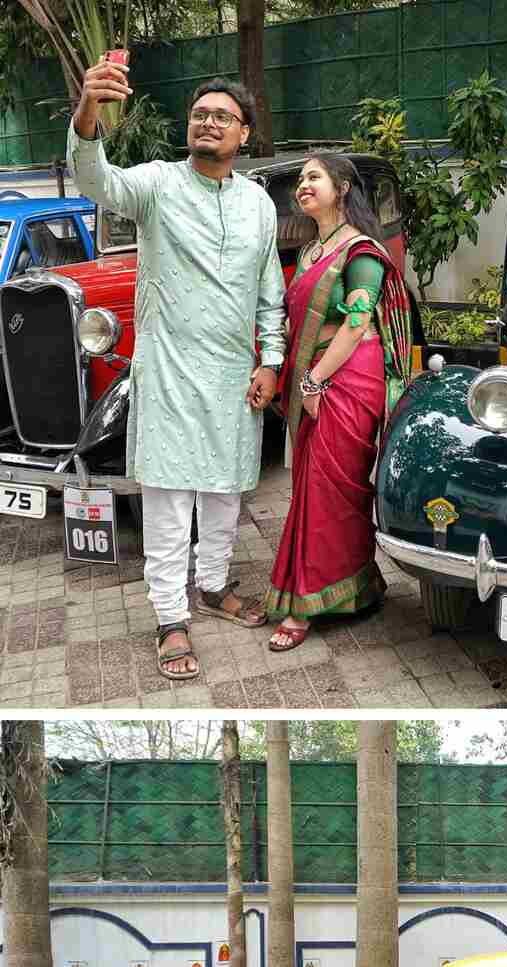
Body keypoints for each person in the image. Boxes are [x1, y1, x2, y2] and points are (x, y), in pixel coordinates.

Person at [68, 63, 286, 681]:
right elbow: (95, 178)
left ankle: (213, 588)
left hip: (231, 376)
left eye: (222, 116)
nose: (208, 123)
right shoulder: (158, 185)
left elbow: (270, 289)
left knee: (223, 493)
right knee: (168, 503)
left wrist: (270, 360)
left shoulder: (257, 206)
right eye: (199, 115)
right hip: (166, 371)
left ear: (244, 134)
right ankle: (170, 617)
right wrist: (89, 109)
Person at [263, 153, 412, 650]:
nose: (303, 186)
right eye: (301, 180)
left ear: (343, 187)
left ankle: (307, 606)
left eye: (313, 177)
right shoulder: (309, 252)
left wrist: (313, 382)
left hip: (347, 376)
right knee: (313, 487)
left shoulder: (360, 251)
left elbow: (356, 322)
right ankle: (354, 589)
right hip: (316, 373)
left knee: (334, 489)